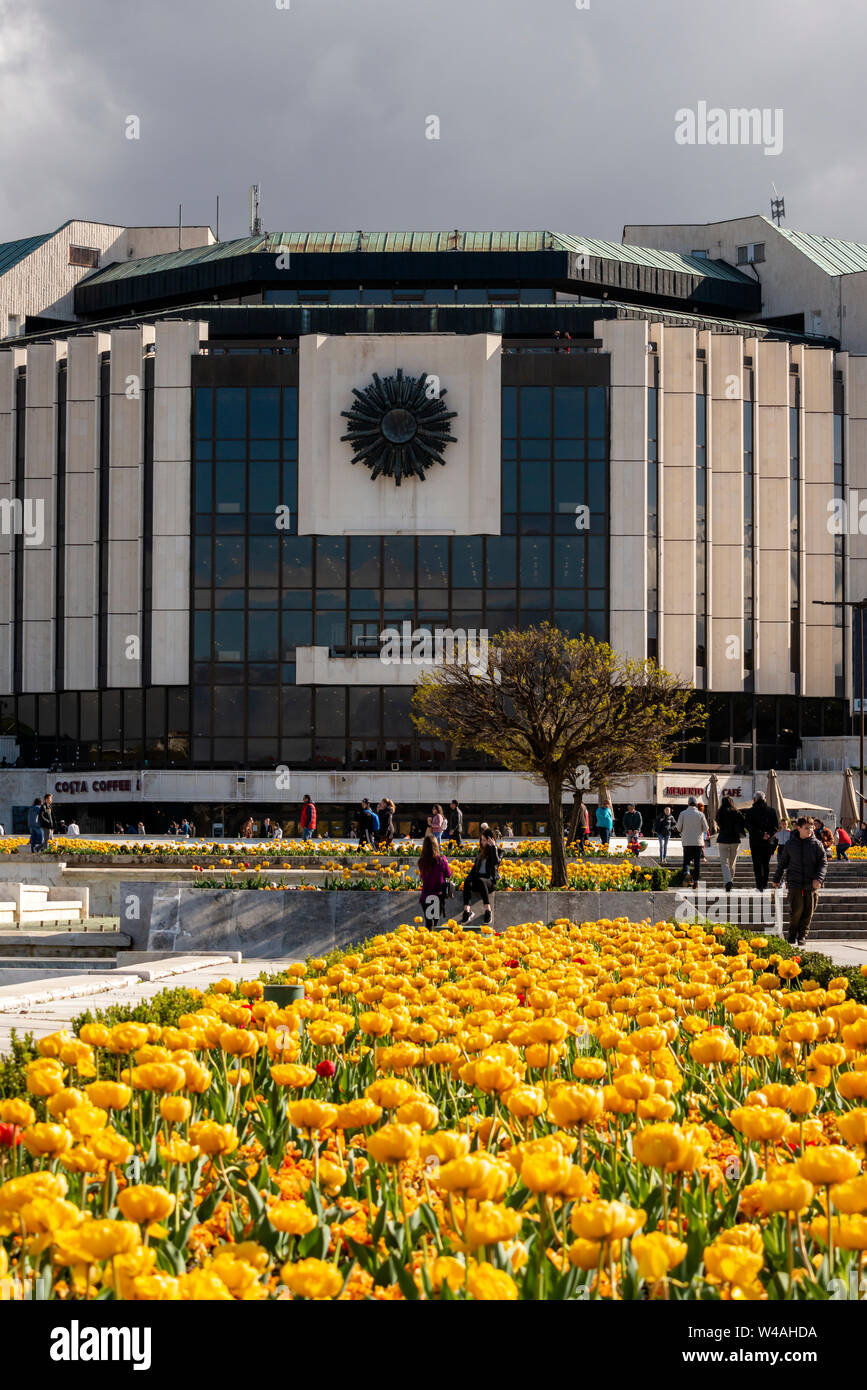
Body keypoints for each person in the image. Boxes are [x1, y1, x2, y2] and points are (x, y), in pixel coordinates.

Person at [773, 816, 827, 947]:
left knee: (809, 911)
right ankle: (792, 934)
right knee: (796, 910)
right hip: (795, 882)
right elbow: (783, 863)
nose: (810, 830)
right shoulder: (791, 845)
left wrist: (818, 878)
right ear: (799, 828)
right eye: (807, 828)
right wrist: (776, 879)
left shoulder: (817, 844)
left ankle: (802, 935)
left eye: (812, 827)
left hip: (811, 883)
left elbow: (823, 863)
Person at [460, 830, 500, 927]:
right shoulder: (480, 852)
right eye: (481, 840)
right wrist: (468, 879)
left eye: (485, 840)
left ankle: (488, 910)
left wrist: (493, 847)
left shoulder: (498, 851)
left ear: (491, 840)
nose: (482, 842)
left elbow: (496, 862)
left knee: (481, 880)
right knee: (467, 882)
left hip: (490, 882)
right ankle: (467, 911)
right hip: (479, 881)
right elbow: (474, 869)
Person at [743, 791, 780, 891]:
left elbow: (748, 826)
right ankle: (764, 884)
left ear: (755, 799)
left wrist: (760, 834)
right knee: (765, 863)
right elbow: (776, 826)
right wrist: (768, 834)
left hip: (755, 841)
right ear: (765, 799)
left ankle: (759, 885)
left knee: (757, 864)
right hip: (768, 842)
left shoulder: (750, 811)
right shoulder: (772, 811)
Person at [417, 830, 452, 928]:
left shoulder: (421, 862)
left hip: (425, 896)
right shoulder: (441, 860)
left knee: (428, 923)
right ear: (436, 845)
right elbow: (448, 875)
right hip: (437, 895)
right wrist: (445, 862)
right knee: (435, 924)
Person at [715, 795, 747, 892]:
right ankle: (730, 881)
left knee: (724, 863)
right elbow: (743, 821)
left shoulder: (720, 812)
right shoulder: (736, 812)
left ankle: (728, 882)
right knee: (732, 863)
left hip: (723, 840)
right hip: (734, 840)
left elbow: (718, 823)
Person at [676, 796, 709, 885]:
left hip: (686, 841)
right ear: (696, 804)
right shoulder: (701, 814)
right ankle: (695, 881)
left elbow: (678, 828)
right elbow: (706, 828)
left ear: (688, 803)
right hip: (698, 842)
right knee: (697, 862)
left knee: (686, 860)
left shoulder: (682, 813)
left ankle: (687, 872)